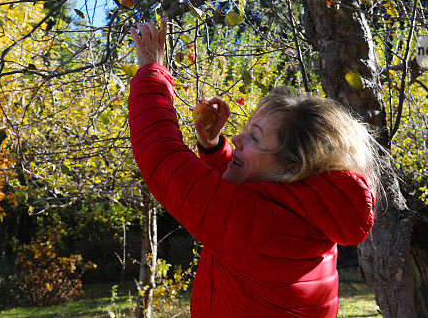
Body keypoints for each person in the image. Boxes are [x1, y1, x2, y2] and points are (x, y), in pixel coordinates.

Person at [128, 19, 377, 317]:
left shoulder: (261, 228)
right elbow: (247, 200)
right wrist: (214, 148)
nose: (236, 138)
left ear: (290, 168)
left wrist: (150, 70)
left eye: (255, 137)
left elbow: (160, 154)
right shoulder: (311, 214)